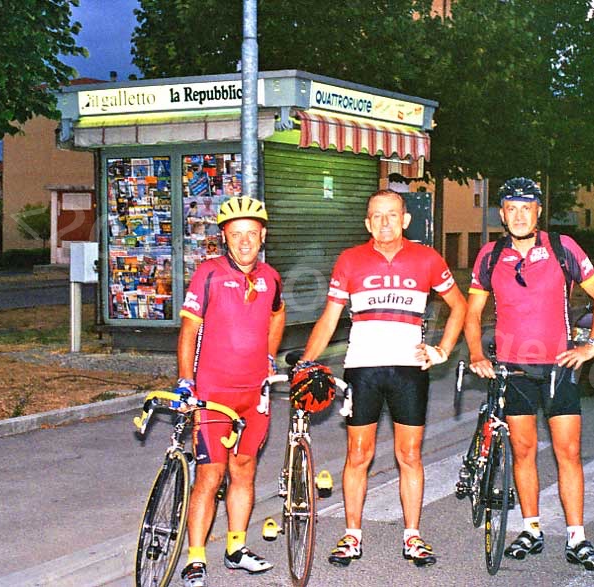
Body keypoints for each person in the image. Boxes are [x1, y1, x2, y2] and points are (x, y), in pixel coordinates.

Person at [298, 189, 467, 568]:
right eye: (376, 216)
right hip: (363, 367)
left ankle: (413, 536)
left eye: (392, 215)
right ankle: (352, 535)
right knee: (359, 454)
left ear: (406, 220)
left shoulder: (427, 258)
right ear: (367, 222)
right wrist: (306, 363)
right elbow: (329, 318)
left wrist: (442, 350)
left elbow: (460, 306)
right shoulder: (350, 259)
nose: (384, 222)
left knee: (409, 455)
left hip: (409, 369)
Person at [464, 177, 594, 571]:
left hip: (558, 368)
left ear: (538, 212)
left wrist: (591, 345)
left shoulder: (562, 248)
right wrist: (477, 353)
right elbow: (473, 311)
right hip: (514, 369)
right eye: (510, 208)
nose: (518, 215)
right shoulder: (490, 256)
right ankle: (531, 529)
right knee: (523, 451)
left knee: (569, 454)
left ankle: (577, 537)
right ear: (501, 213)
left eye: (526, 207)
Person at [177, 196, 286, 587]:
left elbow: (278, 312)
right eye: (236, 234)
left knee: (244, 471)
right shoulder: (207, 274)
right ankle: (195, 557)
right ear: (224, 237)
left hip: (254, 395)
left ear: (262, 236)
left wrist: (270, 356)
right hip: (215, 393)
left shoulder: (271, 276)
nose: (244, 242)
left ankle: (236, 547)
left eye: (251, 234)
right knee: (210, 475)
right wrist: (186, 380)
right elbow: (189, 330)